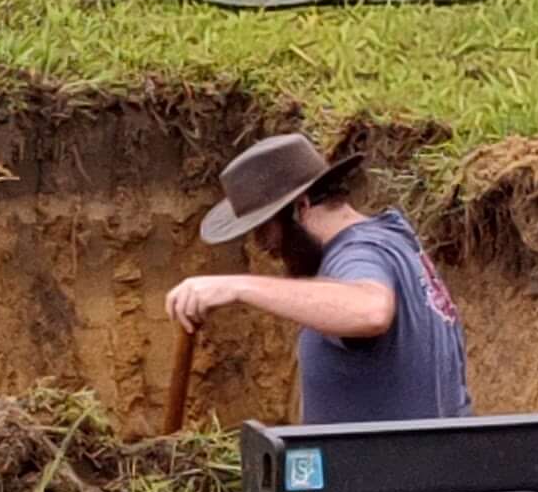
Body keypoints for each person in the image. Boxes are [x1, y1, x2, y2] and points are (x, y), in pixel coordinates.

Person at [167, 132, 471, 423]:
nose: (263, 246)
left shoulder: (357, 253)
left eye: (264, 229)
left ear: (301, 208)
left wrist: (238, 286)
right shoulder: (394, 240)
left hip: (389, 474)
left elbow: (369, 310)